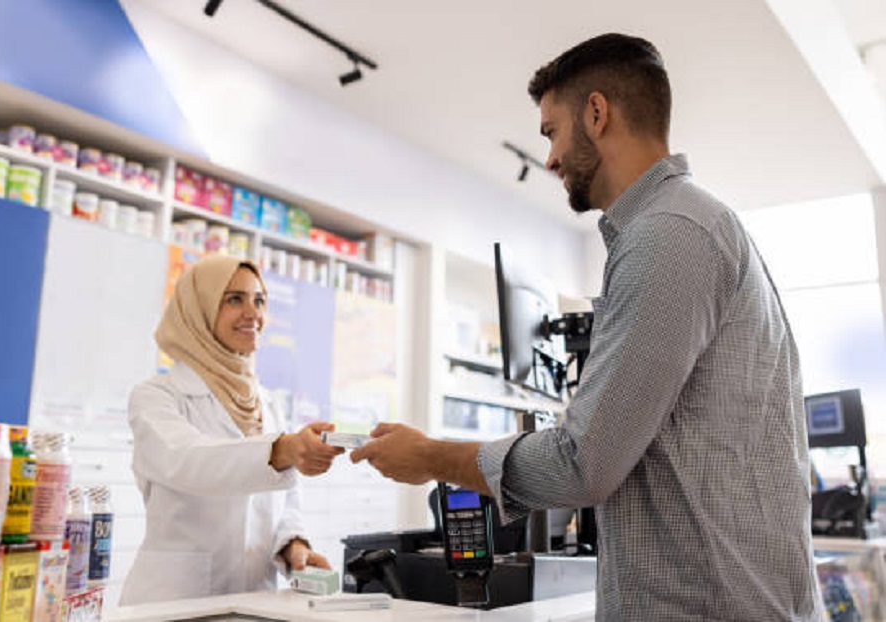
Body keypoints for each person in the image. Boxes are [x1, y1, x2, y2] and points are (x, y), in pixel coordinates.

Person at [352, 33, 824, 620]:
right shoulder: (689, 226)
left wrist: (429, 456)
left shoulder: (668, 234)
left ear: (596, 113)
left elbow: (582, 464)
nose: (548, 158)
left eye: (551, 131)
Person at [120, 253, 344, 605]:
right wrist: (281, 450)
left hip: (256, 601)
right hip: (173, 602)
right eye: (234, 299)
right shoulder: (156, 396)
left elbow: (286, 500)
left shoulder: (265, 402)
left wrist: (293, 547)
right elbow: (187, 461)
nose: (253, 313)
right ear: (199, 310)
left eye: (259, 300)